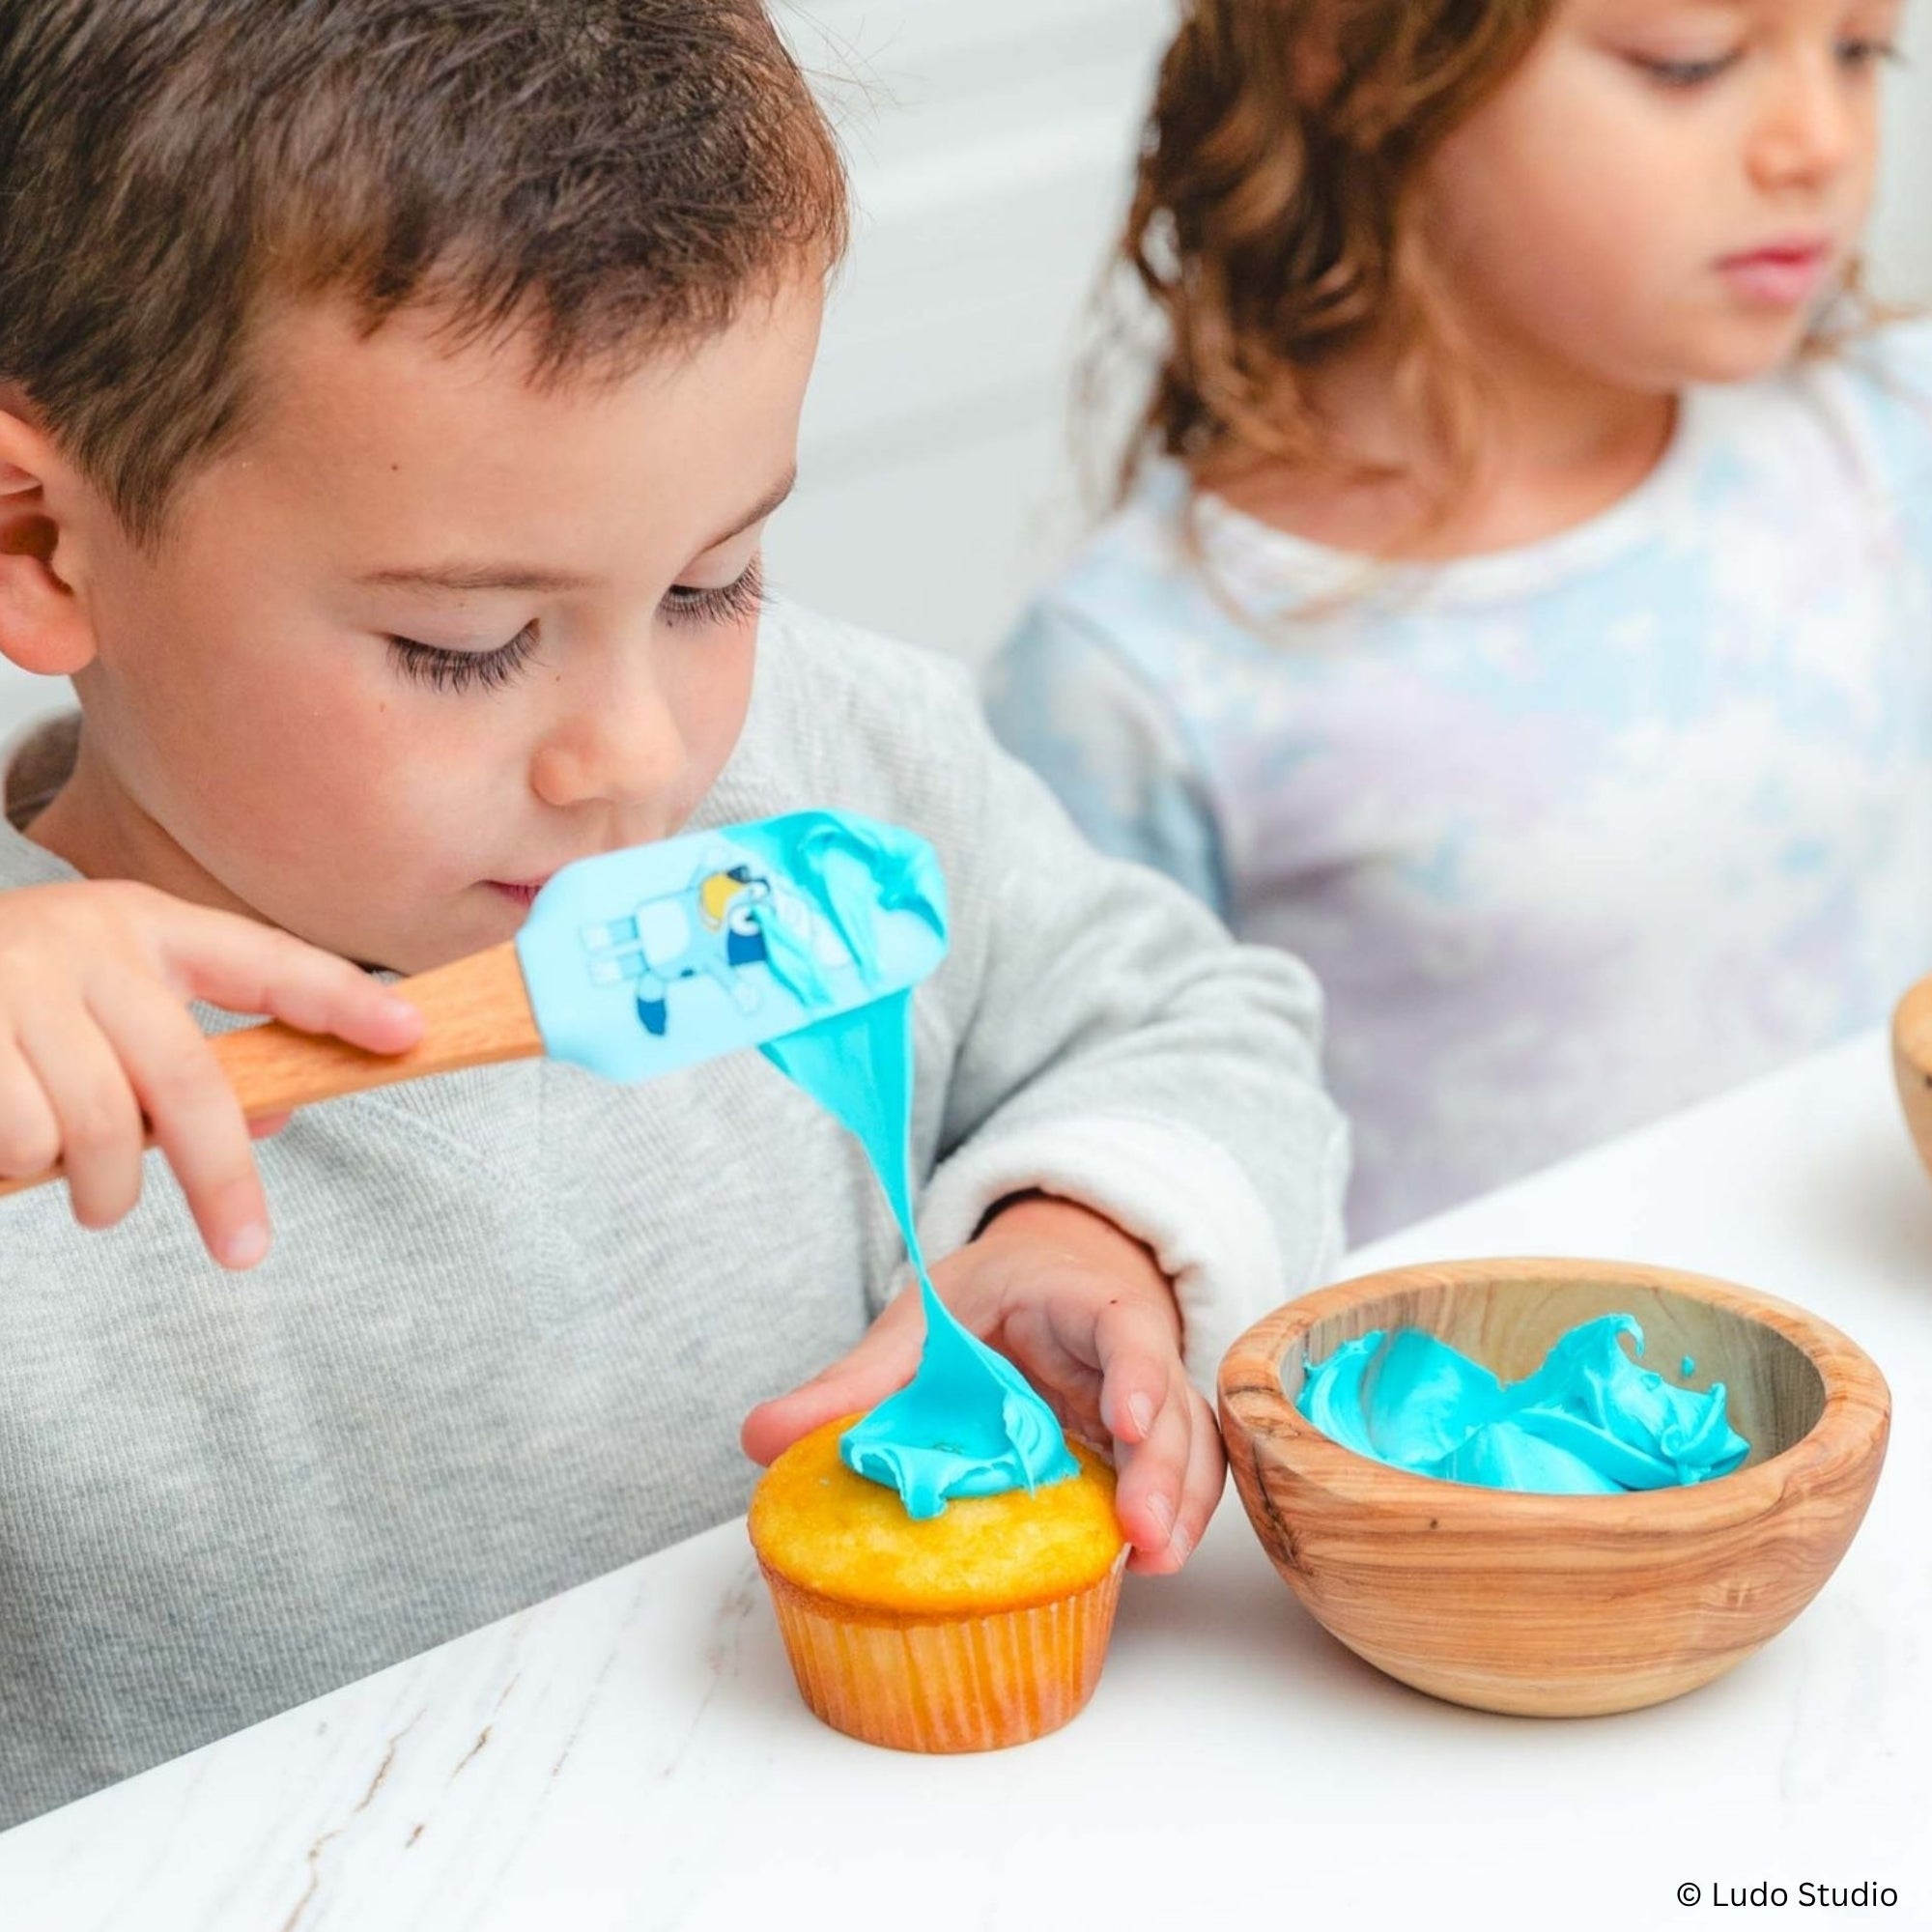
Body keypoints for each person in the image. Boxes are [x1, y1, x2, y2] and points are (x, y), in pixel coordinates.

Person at [0, 0, 1346, 1826]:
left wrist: (1084, 1233)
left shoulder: (833, 776)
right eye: (462, 645)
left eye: (717, 584)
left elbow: (1189, 1014)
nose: (636, 760)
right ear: (38, 541)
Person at [988, 0, 1932, 1239]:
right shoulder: (1146, 668)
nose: (1818, 141)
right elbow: (1088, 1151)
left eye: (1859, 51)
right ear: (1352, 47)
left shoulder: (1886, 428)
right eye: (1686, 63)